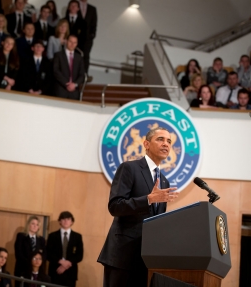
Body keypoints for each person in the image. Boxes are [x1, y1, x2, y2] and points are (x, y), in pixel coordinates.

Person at [97, 127, 179, 287]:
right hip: (122, 256)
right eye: (160, 139)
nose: (166, 144)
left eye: (169, 141)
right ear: (146, 144)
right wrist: (148, 199)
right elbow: (115, 206)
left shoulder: (164, 182)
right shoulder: (129, 168)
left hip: (146, 260)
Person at [46, 211, 83, 287]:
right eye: (63, 219)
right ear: (59, 221)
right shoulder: (52, 236)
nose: (66, 221)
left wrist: (66, 264)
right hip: (55, 270)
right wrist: (60, 261)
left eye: (68, 219)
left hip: (71, 272)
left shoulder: (77, 236)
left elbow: (79, 255)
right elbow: (48, 253)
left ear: (72, 221)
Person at [53, 34, 85, 100]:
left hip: (74, 93)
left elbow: (82, 74)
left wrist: (75, 84)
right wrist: (66, 83)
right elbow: (56, 71)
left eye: (75, 42)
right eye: (70, 41)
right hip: (61, 91)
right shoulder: (58, 55)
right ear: (66, 41)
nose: (72, 44)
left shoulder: (79, 58)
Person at [79, 0, 97, 72]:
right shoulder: (75, 5)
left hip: (87, 38)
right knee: (76, 56)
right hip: (76, 38)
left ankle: (85, 75)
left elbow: (94, 24)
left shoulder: (92, 9)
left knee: (86, 56)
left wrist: (92, 35)